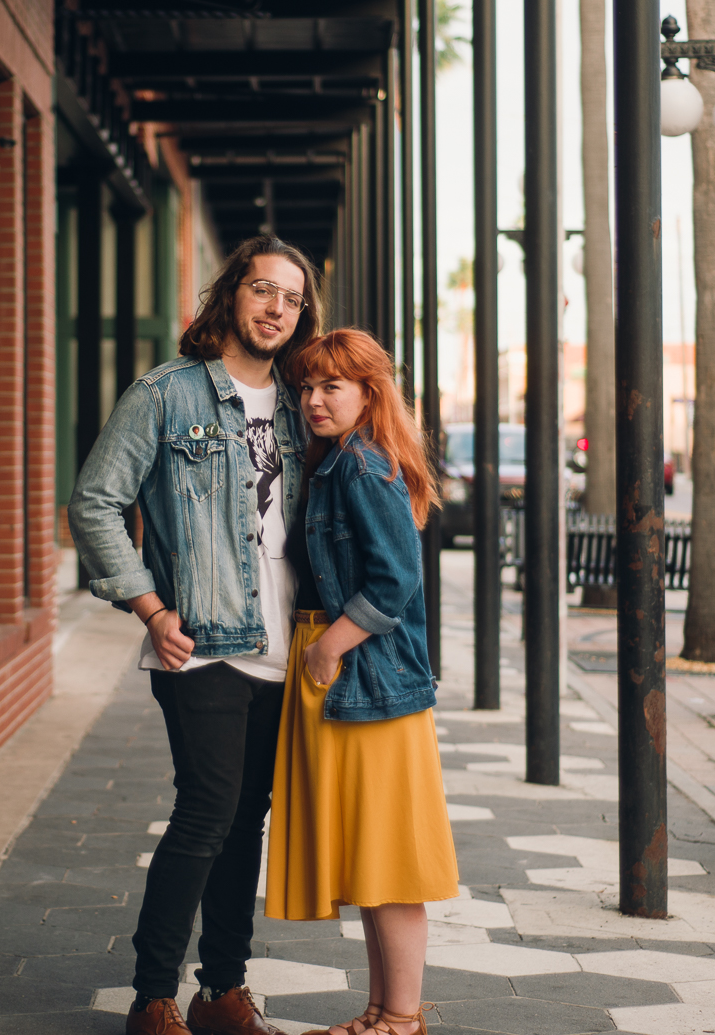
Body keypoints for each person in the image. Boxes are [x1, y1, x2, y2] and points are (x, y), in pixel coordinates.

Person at [69, 237, 324, 1035]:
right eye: (262, 289)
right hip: (202, 641)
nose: (277, 307)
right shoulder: (166, 395)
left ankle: (222, 989)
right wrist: (149, 606)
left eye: (291, 297)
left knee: (248, 815)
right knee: (208, 810)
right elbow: (95, 501)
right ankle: (152, 996)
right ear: (230, 296)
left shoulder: (295, 401)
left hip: (281, 643)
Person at [267, 329, 459, 1035]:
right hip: (350, 676)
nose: (313, 400)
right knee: (373, 857)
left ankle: (403, 1017)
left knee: (392, 860)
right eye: (306, 387)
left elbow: (396, 580)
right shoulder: (340, 461)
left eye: (331, 387)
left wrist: (328, 649)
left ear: (368, 392)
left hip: (367, 679)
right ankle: (382, 1010)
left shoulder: (361, 465)